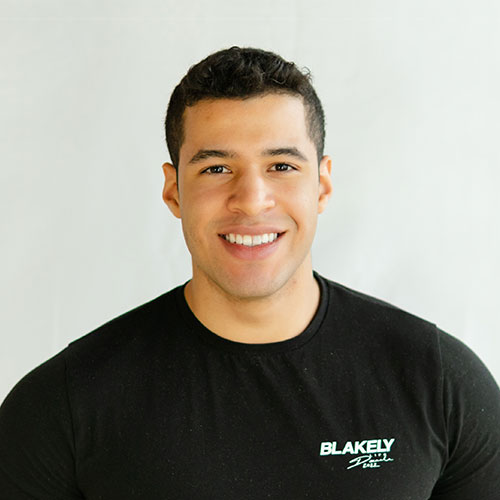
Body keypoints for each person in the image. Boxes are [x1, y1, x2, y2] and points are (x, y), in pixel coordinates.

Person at [0, 46, 499, 500]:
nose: (252, 200)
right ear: (174, 191)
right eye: (216, 169)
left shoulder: (439, 382)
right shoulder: (64, 405)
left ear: (322, 185)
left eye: (281, 166)